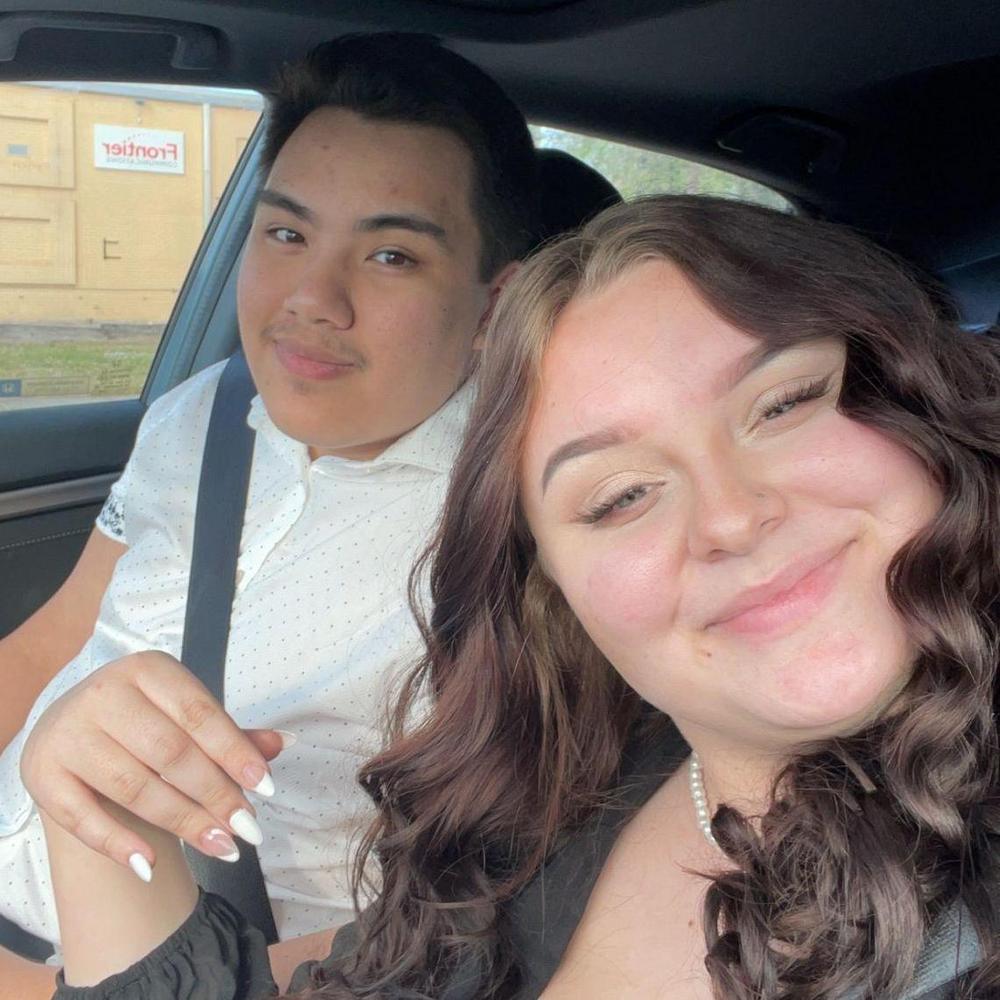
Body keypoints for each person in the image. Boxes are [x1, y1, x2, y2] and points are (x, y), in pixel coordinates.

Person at [30, 194, 1000, 999]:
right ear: (559, 593)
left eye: (782, 404)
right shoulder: (537, 821)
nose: (732, 517)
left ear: (914, 394)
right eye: (619, 496)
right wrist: (105, 827)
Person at [0, 31, 539, 996]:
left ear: (494, 303)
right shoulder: (201, 413)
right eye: (287, 235)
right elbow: (53, 645)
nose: (311, 300)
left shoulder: (520, 522)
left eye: (390, 255)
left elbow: (448, 918)